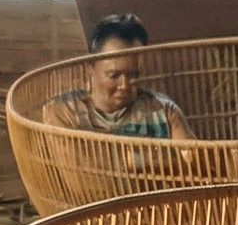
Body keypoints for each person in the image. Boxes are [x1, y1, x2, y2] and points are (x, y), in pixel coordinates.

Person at [40, 14, 193, 139]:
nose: (124, 85)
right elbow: (77, 168)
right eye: (114, 76)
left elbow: (196, 162)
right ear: (91, 67)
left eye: (133, 75)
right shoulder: (64, 111)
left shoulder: (163, 110)